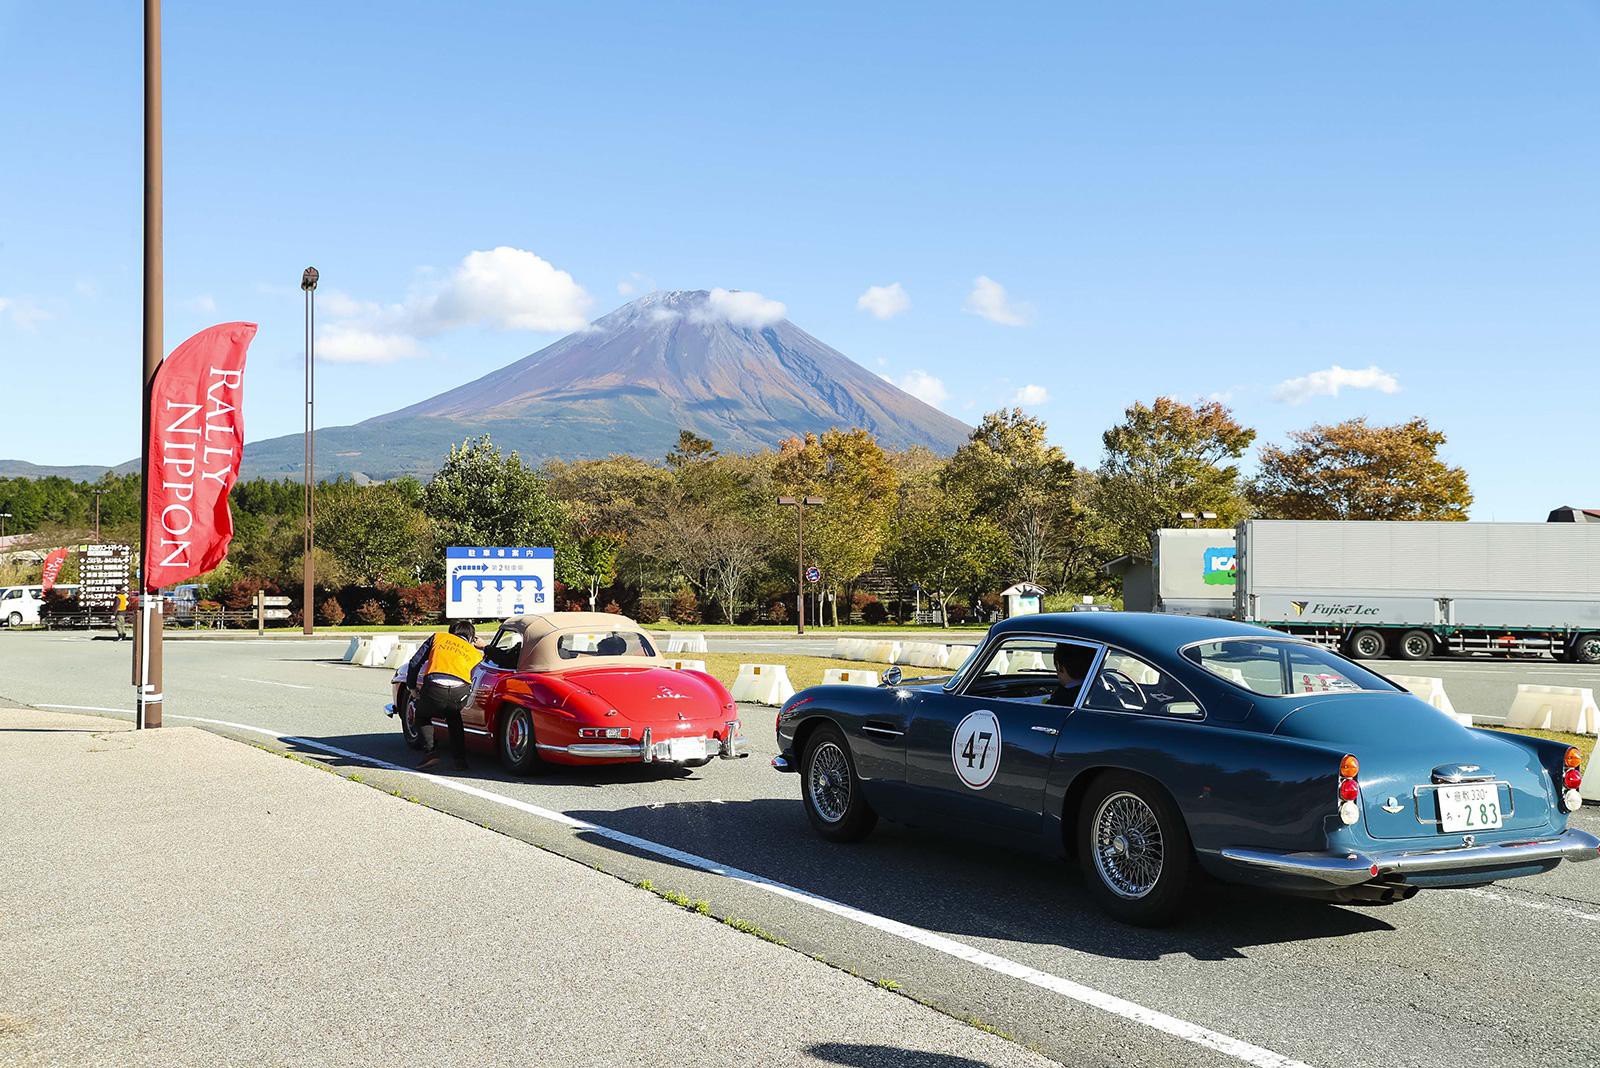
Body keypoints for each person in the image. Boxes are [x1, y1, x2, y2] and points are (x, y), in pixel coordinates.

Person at [406, 621, 481, 771]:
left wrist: (412, 686)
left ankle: (430, 752)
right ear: (472, 637)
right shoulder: (475, 653)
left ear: (451, 632)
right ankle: (460, 760)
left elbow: (415, 662)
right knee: (454, 718)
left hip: (435, 687)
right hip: (460, 690)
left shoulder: (438, 637)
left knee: (421, 714)